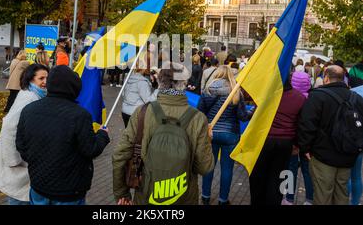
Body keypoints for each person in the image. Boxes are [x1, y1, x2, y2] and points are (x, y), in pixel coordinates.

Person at [112, 62, 214, 205]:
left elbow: (119, 155)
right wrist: (208, 140)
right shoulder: (198, 118)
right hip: (184, 198)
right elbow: (204, 167)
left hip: (146, 196)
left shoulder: (142, 113)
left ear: (159, 81)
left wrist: (122, 194)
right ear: (184, 83)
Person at [16, 65, 110, 205]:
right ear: (75, 88)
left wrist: (37, 161)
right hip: (68, 192)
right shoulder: (80, 115)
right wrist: (102, 135)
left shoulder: (29, 110)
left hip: (39, 185)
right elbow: (91, 149)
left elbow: (21, 146)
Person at [298, 65, 363, 205]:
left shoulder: (317, 96)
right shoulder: (356, 98)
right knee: (342, 192)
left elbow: (307, 124)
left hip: (323, 155)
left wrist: (305, 148)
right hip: (347, 154)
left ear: (326, 78)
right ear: (343, 79)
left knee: (323, 193)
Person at [0, 64, 49, 205]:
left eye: (47, 78)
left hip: (23, 160)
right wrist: (13, 159)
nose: (45, 82)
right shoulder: (29, 98)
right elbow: (9, 127)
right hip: (19, 162)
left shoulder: (33, 95)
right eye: (41, 78)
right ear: (31, 80)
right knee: (18, 196)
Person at [249, 76, 306, 205]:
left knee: (258, 174)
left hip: (263, 141)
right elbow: (300, 124)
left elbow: (255, 117)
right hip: (285, 143)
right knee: (278, 176)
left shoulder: (265, 96)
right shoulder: (299, 98)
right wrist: (297, 144)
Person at [198, 65, 248, 205]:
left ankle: (205, 196)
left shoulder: (207, 91)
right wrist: (252, 112)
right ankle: (223, 199)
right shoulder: (236, 92)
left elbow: (200, 113)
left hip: (211, 133)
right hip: (230, 134)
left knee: (209, 166)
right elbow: (242, 116)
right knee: (227, 169)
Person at [284, 69, 314, 205]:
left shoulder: (289, 98)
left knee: (290, 169)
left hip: (291, 140)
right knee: (308, 172)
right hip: (308, 142)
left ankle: (288, 198)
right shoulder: (313, 100)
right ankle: (309, 199)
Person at [349, 84, 363, 205]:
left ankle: (343, 201)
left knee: (347, 175)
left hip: (349, 137)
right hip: (360, 140)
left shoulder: (353, 92)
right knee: (356, 176)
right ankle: (355, 202)